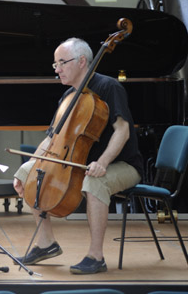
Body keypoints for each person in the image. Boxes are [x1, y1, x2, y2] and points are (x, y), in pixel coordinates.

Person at [13, 37, 143, 274]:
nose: (57, 69)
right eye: (55, 65)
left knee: (96, 181)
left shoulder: (109, 87)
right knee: (27, 172)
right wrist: (31, 165)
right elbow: (51, 138)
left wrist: (103, 162)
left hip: (122, 164)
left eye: (62, 63)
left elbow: (122, 132)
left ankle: (96, 256)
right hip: (80, 162)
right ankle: (46, 243)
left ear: (82, 61)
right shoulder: (68, 97)